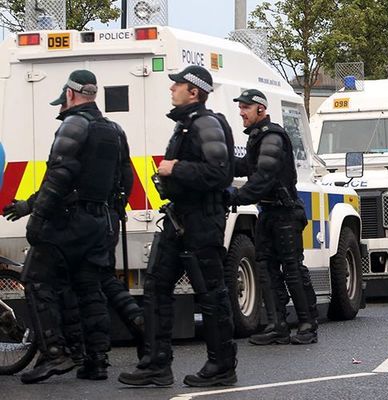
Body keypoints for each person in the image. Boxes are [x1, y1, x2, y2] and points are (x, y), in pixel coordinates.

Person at [3, 88, 144, 380]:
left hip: (70, 221)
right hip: (101, 222)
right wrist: (113, 213)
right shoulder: (114, 130)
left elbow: (58, 176)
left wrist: (37, 216)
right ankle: (96, 361)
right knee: (89, 287)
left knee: (37, 280)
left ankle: (55, 353)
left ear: (70, 93)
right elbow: (126, 177)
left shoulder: (73, 125)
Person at [118, 65, 237, 387]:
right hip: (178, 218)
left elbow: (218, 174)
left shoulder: (206, 123)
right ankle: (156, 364)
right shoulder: (186, 125)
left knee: (211, 293)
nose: (172, 89)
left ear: (194, 91)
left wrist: (176, 168)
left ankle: (222, 366)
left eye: (178, 85)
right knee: (156, 286)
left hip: (202, 221)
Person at [227, 89, 318, 346]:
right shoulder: (258, 137)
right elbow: (247, 167)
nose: (242, 113)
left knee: (292, 269)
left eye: (246, 108)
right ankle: (277, 325)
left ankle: (307, 324)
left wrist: (234, 197)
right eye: (241, 107)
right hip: (268, 213)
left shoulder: (272, 136)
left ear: (261, 109)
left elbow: (263, 177)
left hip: (285, 213)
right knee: (265, 268)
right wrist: (218, 160)